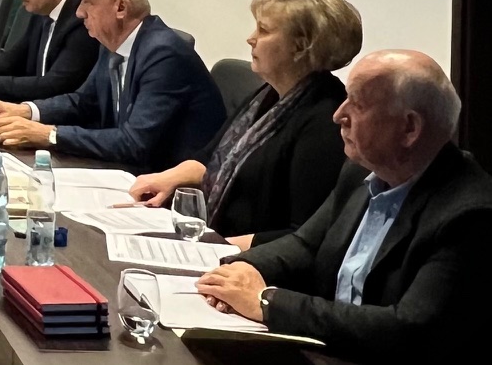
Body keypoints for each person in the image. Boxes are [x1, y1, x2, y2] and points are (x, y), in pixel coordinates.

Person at [195, 51, 492, 363]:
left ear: (409, 128)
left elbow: (407, 329)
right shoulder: (360, 171)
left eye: (358, 105)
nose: (338, 115)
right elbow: (306, 245)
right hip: (323, 349)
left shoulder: (471, 215)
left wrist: (267, 301)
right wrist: (244, 268)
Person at [129, 0, 362, 247]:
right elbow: (210, 158)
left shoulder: (325, 120)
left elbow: (301, 235)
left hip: (251, 258)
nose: (251, 39)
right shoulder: (268, 94)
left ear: (301, 47)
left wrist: (212, 246)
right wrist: (166, 178)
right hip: (213, 237)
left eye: (264, 30)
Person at [0, 0, 225, 172]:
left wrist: (48, 134)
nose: (79, 11)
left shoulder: (164, 55)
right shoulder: (112, 42)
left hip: (167, 190)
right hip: (123, 172)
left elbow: (134, 143)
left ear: (121, 8)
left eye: (88, 1)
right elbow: (83, 102)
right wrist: (26, 111)